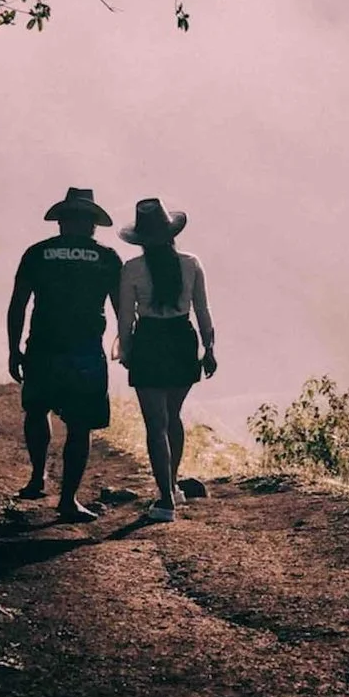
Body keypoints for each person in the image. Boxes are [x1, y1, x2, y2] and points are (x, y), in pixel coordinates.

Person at [8, 187, 123, 521]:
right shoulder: (106, 257)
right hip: (85, 350)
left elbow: (18, 304)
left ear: (61, 222)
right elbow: (121, 307)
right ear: (92, 225)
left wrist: (13, 348)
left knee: (36, 409)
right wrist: (126, 342)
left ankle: (37, 477)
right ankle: (68, 500)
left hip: (42, 345)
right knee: (80, 423)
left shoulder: (37, 253)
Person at [115, 198, 217, 523]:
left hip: (149, 341)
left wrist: (127, 351)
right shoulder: (191, 264)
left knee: (154, 424)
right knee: (173, 416)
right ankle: (172, 486)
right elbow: (202, 310)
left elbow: (125, 319)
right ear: (172, 233)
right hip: (182, 340)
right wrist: (209, 348)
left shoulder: (132, 269)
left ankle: (165, 501)